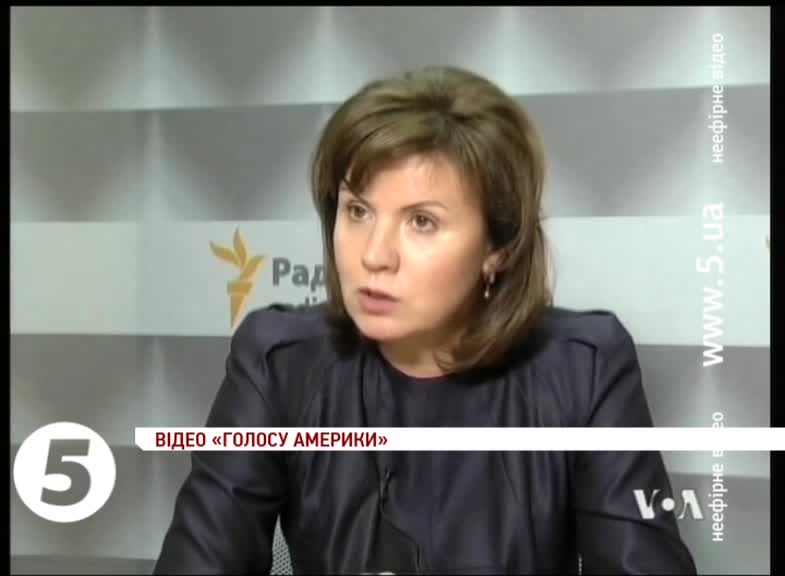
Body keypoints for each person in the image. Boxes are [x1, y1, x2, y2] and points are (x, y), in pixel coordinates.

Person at [153, 66, 697, 575]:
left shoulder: (584, 368)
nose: (374, 255)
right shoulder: (279, 361)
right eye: (357, 211)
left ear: (498, 248)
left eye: (421, 222)